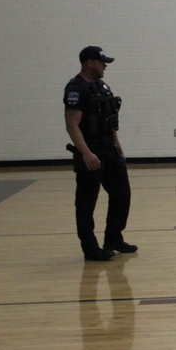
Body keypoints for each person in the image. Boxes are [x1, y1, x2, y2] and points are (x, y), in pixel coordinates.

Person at [64, 46, 136, 261]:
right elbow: (71, 124)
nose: (105, 65)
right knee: (87, 202)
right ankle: (90, 248)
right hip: (91, 151)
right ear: (89, 63)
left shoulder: (102, 86)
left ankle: (113, 238)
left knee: (122, 195)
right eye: (102, 61)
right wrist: (85, 153)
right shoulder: (76, 88)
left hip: (109, 149)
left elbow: (109, 118)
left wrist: (117, 145)